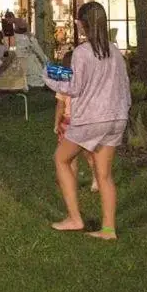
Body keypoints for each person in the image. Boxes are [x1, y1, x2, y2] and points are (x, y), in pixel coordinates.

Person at [42, 1, 131, 241]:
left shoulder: (82, 52)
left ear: (83, 24)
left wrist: (49, 78)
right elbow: (123, 85)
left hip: (91, 119)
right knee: (104, 174)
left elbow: (74, 87)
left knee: (61, 159)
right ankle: (108, 229)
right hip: (116, 117)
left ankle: (74, 218)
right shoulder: (115, 51)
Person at [52, 51, 97, 193]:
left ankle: (71, 182)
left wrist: (56, 124)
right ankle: (96, 180)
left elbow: (60, 106)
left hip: (68, 124)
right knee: (89, 154)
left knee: (70, 157)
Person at [13, 17, 49, 87]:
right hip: (29, 67)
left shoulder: (12, 38)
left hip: (17, 68)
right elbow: (39, 51)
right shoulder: (29, 38)